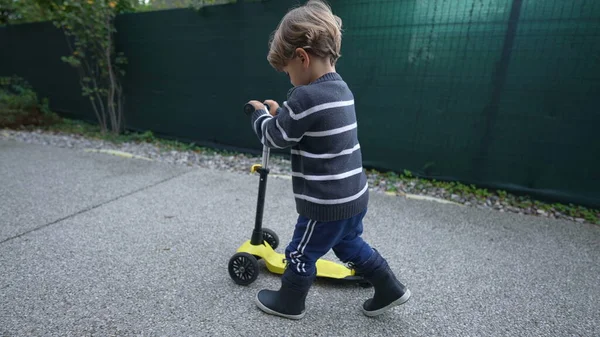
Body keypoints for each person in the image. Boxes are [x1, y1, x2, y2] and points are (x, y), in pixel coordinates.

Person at [246, 0, 410, 320]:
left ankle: (291, 302)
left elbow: (276, 137)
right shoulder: (341, 89)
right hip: (353, 197)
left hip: (325, 203)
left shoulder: (305, 96)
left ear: (302, 58)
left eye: (288, 71)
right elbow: (312, 127)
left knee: (300, 251)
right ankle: (389, 287)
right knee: (349, 243)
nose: (289, 79)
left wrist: (260, 116)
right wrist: (284, 116)